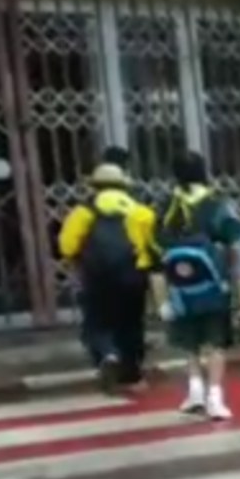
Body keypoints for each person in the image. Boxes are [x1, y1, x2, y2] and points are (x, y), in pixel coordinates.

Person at [155, 151, 240, 421]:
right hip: (215, 285)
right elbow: (236, 240)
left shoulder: (167, 206)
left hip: (180, 286)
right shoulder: (217, 204)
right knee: (216, 342)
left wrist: (161, 297)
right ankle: (215, 397)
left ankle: (195, 391)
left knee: (189, 340)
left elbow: (157, 245)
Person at [58, 161, 156, 393]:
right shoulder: (140, 211)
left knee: (97, 321)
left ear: (96, 186)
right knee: (131, 324)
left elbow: (67, 246)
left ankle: (107, 353)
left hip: (98, 276)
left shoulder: (85, 212)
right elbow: (152, 246)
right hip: (133, 275)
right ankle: (131, 375)